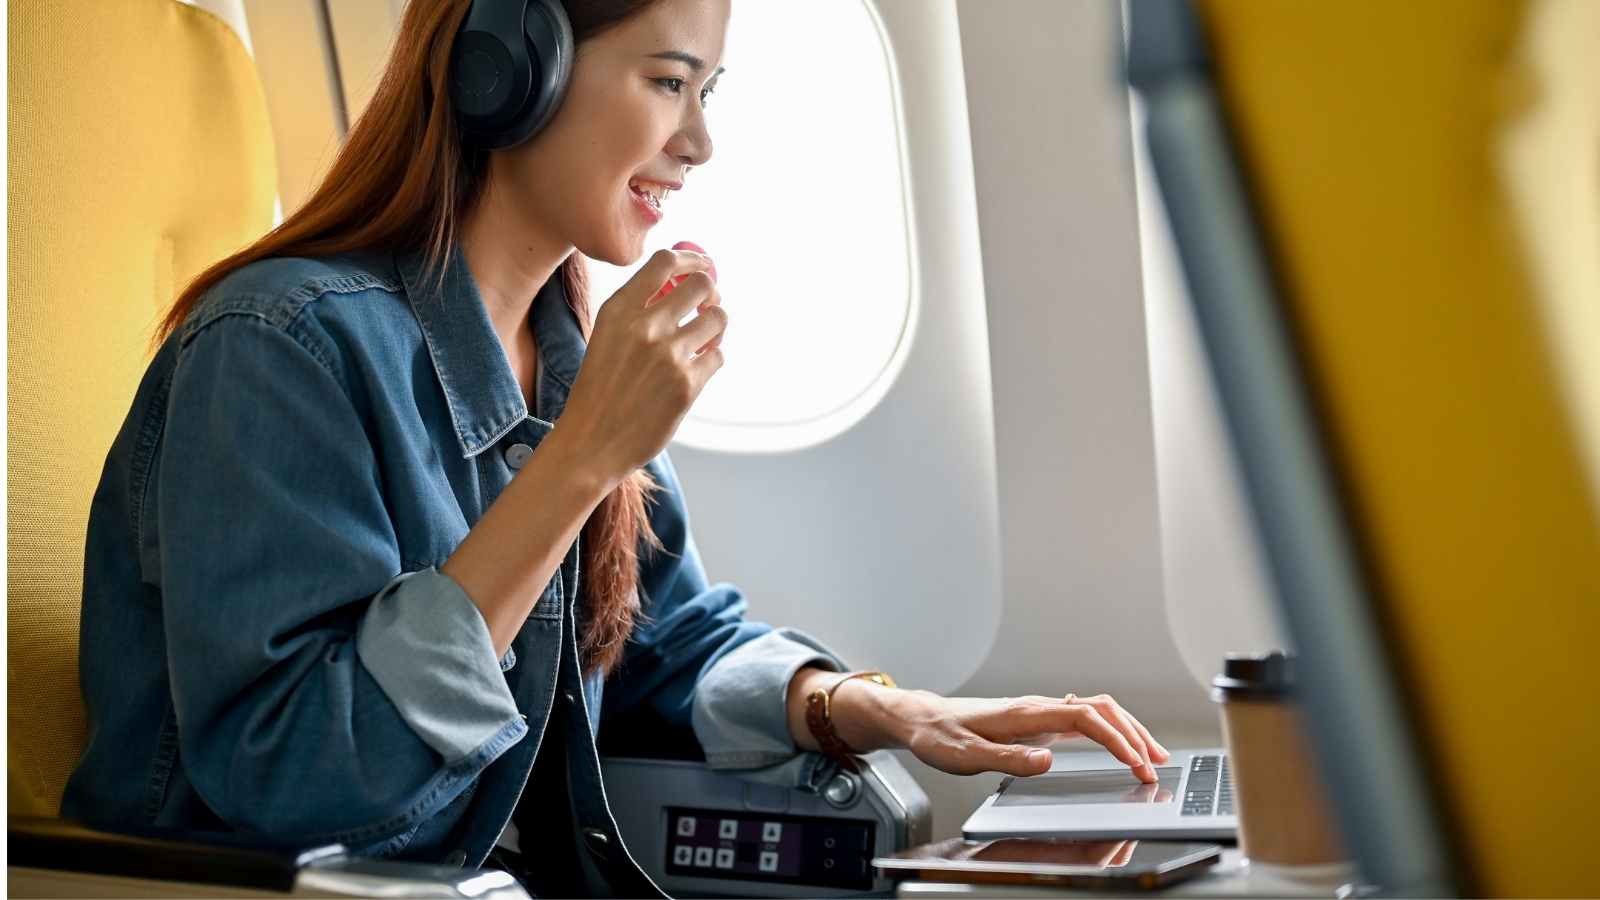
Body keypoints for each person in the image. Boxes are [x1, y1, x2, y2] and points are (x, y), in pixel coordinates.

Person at [63, 0, 1170, 894]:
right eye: (669, 82)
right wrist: (581, 459)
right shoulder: (280, 351)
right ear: (511, 67)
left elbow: (655, 639)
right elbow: (302, 782)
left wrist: (864, 705)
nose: (699, 142)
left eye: (708, 93)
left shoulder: (566, 351)